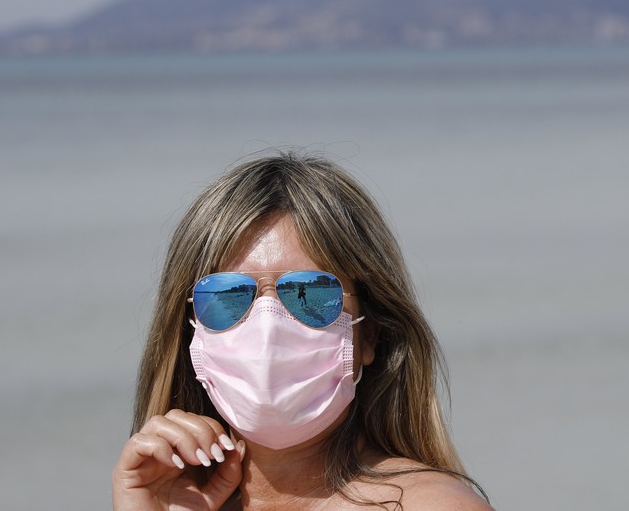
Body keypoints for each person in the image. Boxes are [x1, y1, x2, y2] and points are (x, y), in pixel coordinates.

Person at [112, 153, 491, 510]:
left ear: (370, 335)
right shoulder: (163, 494)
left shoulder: (428, 504)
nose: (267, 329)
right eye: (227, 294)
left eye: (309, 292)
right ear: (190, 327)